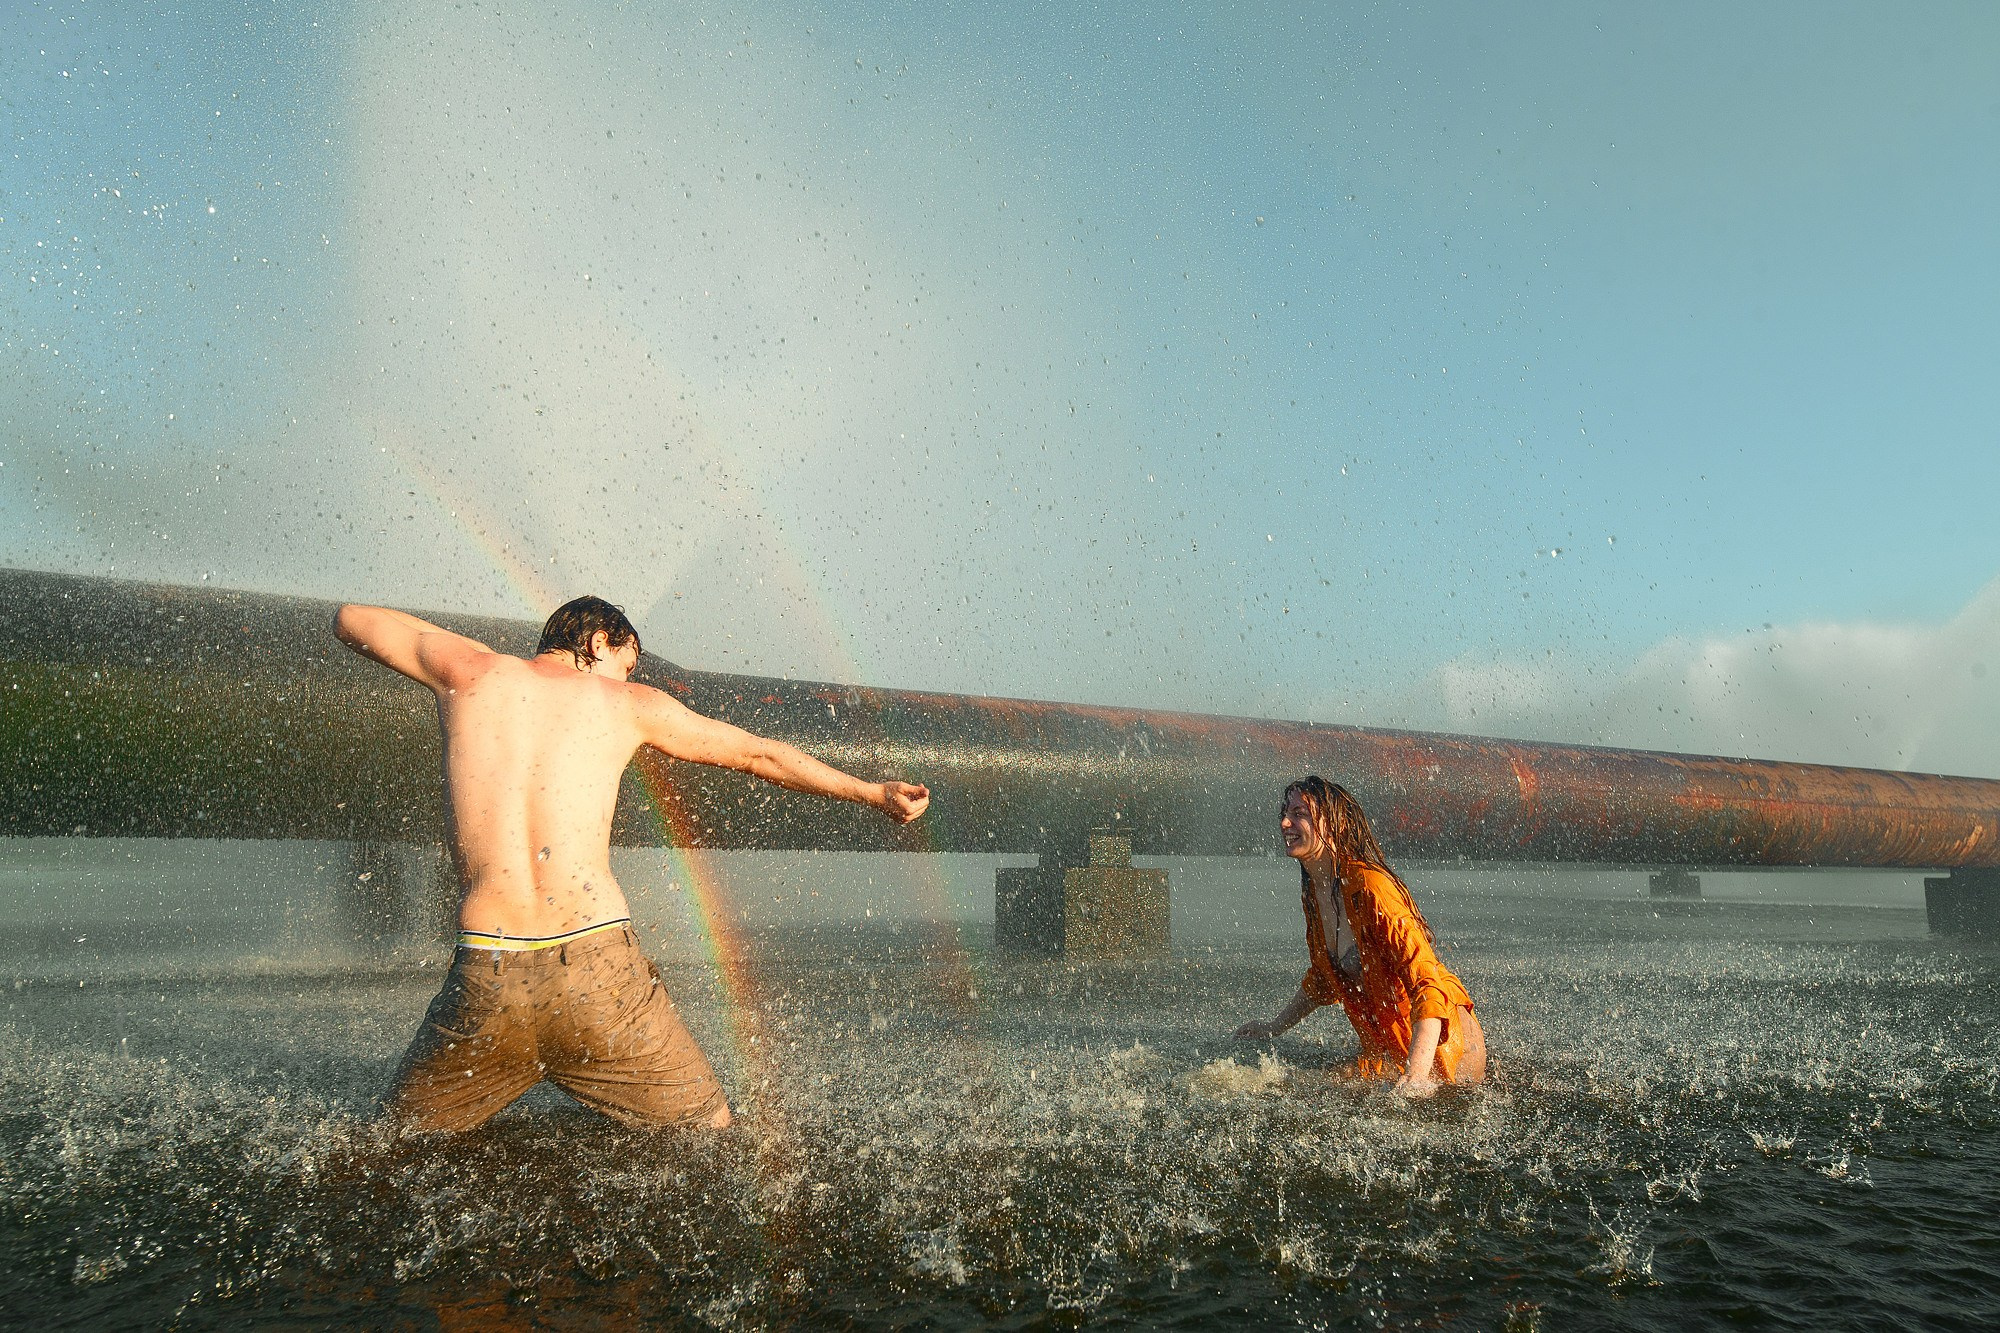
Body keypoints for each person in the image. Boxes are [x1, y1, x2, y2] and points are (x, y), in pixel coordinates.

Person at [333, 594, 929, 1133]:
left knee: (394, 1143)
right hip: (597, 970)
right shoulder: (627, 704)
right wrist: (872, 792)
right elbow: (759, 754)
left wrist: (472, 653)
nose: (629, 677)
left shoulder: (469, 673)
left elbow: (350, 619)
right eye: (628, 663)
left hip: (488, 973)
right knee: (710, 1130)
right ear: (599, 643)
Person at [1233, 776, 1484, 1096]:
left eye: (1299, 813)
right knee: (1290, 1088)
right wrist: (1273, 1027)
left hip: (1447, 1052)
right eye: (1284, 813)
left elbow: (1427, 984)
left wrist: (1418, 1075)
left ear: (1334, 823)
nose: (1284, 823)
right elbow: (1324, 978)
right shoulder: (1315, 891)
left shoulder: (1371, 886)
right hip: (1390, 1054)